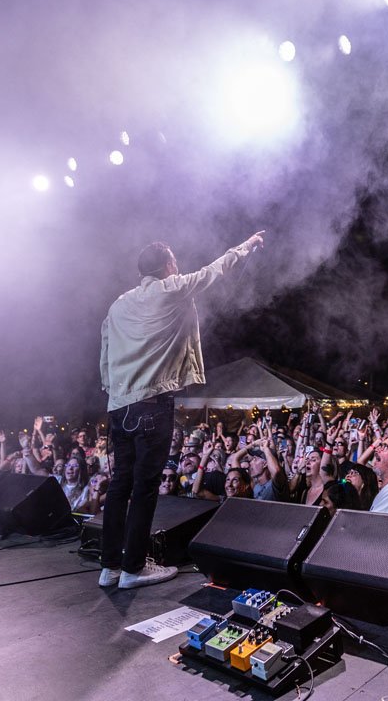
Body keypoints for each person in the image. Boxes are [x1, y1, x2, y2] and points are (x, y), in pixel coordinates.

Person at [97, 232, 265, 590]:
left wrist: (113, 395)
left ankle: (109, 567)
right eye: (173, 259)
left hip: (119, 405)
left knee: (119, 486)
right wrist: (245, 246)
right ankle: (133, 569)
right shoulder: (172, 289)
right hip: (152, 405)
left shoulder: (117, 305)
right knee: (143, 489)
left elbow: (105, 355)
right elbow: (214, 271)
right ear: (167, 266)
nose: (178, 264)